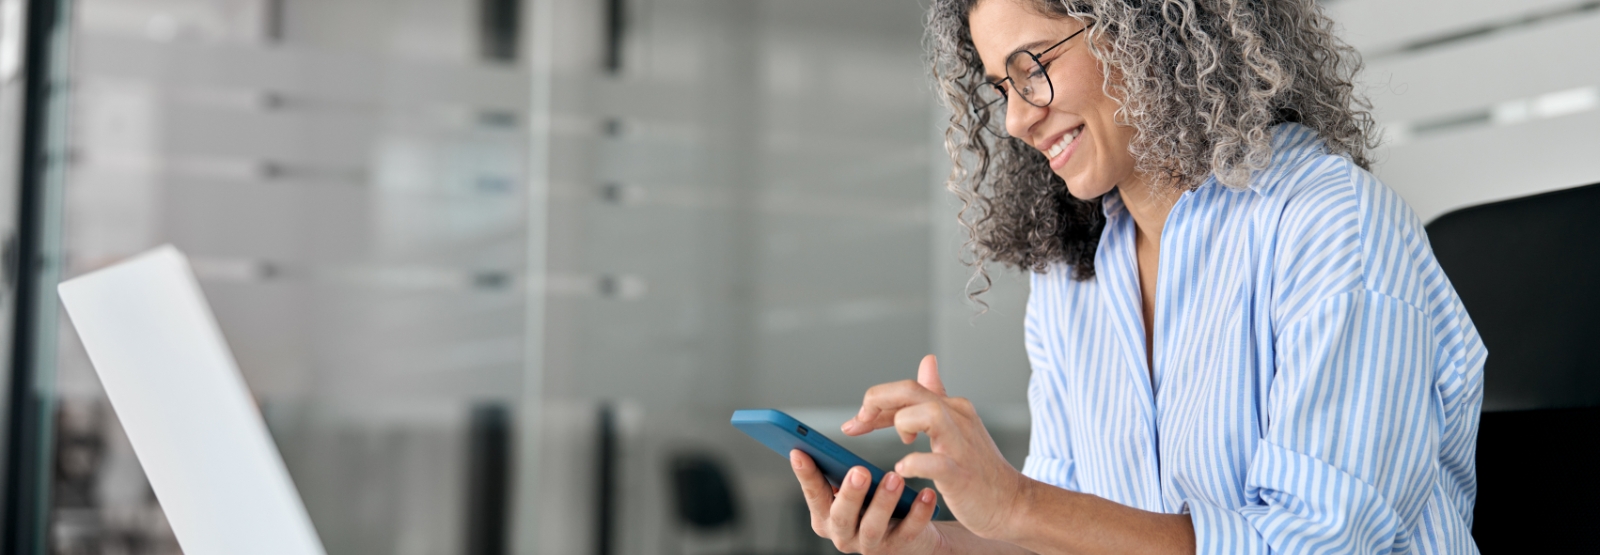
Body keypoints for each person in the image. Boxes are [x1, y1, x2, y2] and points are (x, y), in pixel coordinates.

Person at [788, 0, 1487, 553]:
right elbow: (1066, 538)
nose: (1015, 117)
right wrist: (932, 544)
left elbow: (1315, 547)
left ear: (1142, 23)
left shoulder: (1333, 227)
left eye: (1032, 66)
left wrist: (1019, 503)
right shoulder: (1075, 277)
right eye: (1002, 85)